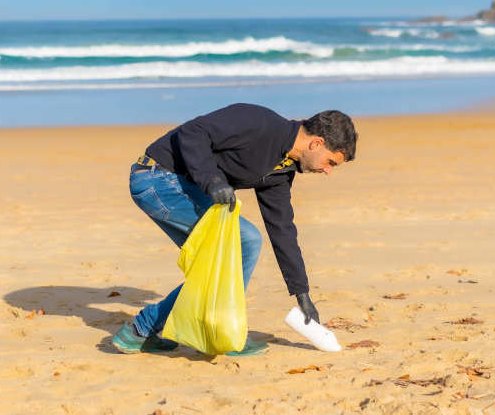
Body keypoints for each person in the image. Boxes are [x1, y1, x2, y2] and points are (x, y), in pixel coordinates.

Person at [113, 103, 357, 355]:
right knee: (246, 242)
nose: (327, 171)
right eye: (331, 162)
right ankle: (219, 334)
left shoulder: (281, 172)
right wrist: (213, 180)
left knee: (215, 266)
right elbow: (193, 132)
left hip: (181, 188)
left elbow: (282, 230)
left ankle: (140, 332)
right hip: (158, 178)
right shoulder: (259, 122)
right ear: (316, 143)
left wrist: (302, 293)